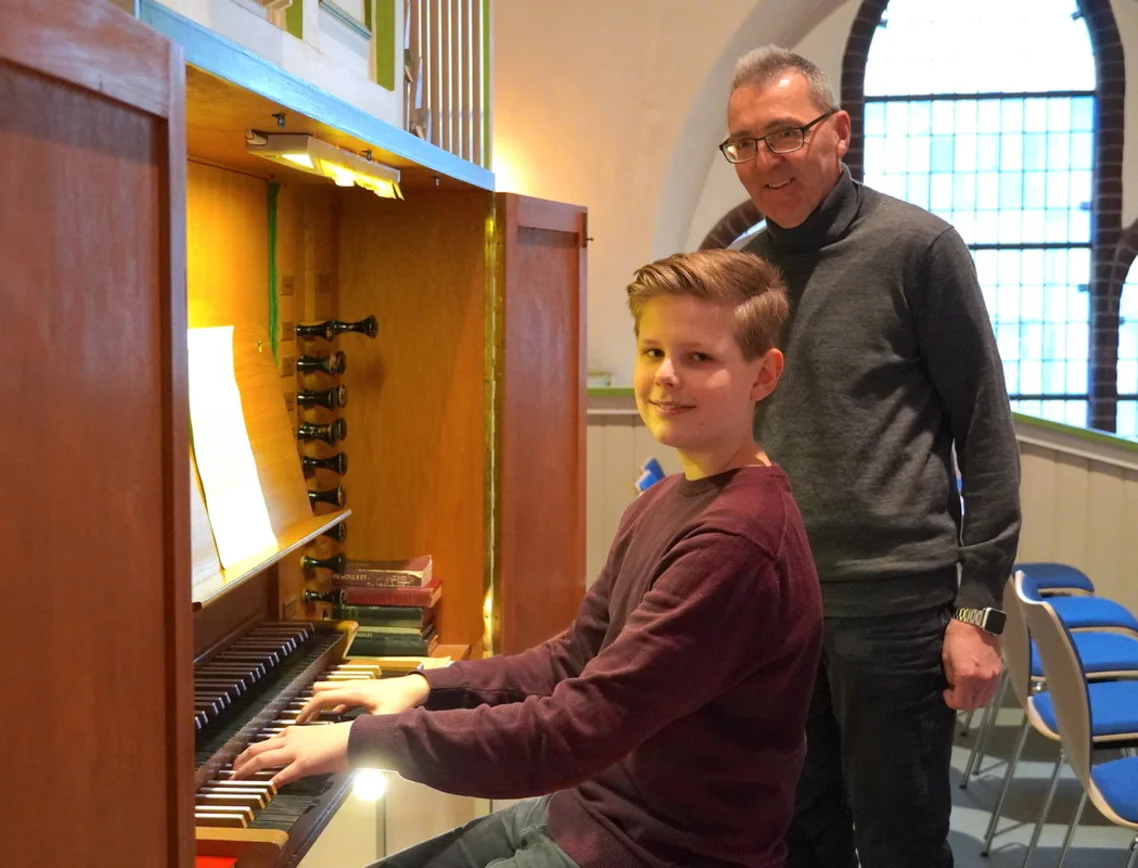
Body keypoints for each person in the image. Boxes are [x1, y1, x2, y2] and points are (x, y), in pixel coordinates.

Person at [233, 249, 823, 868]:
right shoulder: (667, 500)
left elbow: (577, 729)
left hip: (659, 852)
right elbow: (572, 660)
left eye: (698, 357)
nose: (666, 375)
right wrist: (423, 686)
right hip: (583, 815)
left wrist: (366, 741)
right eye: (653, 351)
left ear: (764, 374)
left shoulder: (737, 545)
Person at [718, 46, 1022, 868]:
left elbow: (986, 436)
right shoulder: (741, 274)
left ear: (838, 131)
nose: (762, 161)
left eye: (783, 134)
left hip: (897, 608)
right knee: (792, 832)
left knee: (901, 842)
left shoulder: (919, 249)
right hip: (775, 606)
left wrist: (978, 613)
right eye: (742, 143)